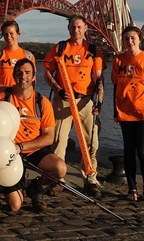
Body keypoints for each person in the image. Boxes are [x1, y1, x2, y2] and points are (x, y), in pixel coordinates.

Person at [42, 14, 106, 197]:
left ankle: (90, 180)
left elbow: (99, 79)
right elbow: (47, 73)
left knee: (91, 142)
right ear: (68, 29)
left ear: (85, 28)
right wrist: (58, 89)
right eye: (72, 27)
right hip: (63, 99)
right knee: (59, 142)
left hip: (85, 100)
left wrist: (99, 103)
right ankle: (57, 180)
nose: (76, 31)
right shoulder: (60, 48)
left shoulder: (93, 50)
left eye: (79, 27)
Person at [0, 58, 66, 212]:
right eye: (19, 73)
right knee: (15, 206)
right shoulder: (2, 97)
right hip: (8, 152)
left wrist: (22, 146)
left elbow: (49, 137)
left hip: (31, 149)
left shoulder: (42, 102)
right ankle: (15, 184)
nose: (23, 76)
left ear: (33, 77)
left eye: (27, 73)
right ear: (13, 76)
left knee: (60, 168)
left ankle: (36, 188)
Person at [111, 26, 144, 202]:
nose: (130, 41)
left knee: (143, 151)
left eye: (133, 38)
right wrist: (115, 111)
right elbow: (116, 87)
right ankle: (132, 188)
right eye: (126, 38)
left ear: (139, 39)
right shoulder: (118, 60)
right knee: (128, 151)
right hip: (125, 112)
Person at [0, 20, 35, 98]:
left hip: (20, 99)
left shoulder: (28, 56)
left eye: (11, 33)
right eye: (6, 34)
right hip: (1, 99)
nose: (9, 37)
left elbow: (32, 82)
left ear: (18, 34)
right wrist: (8, 89)